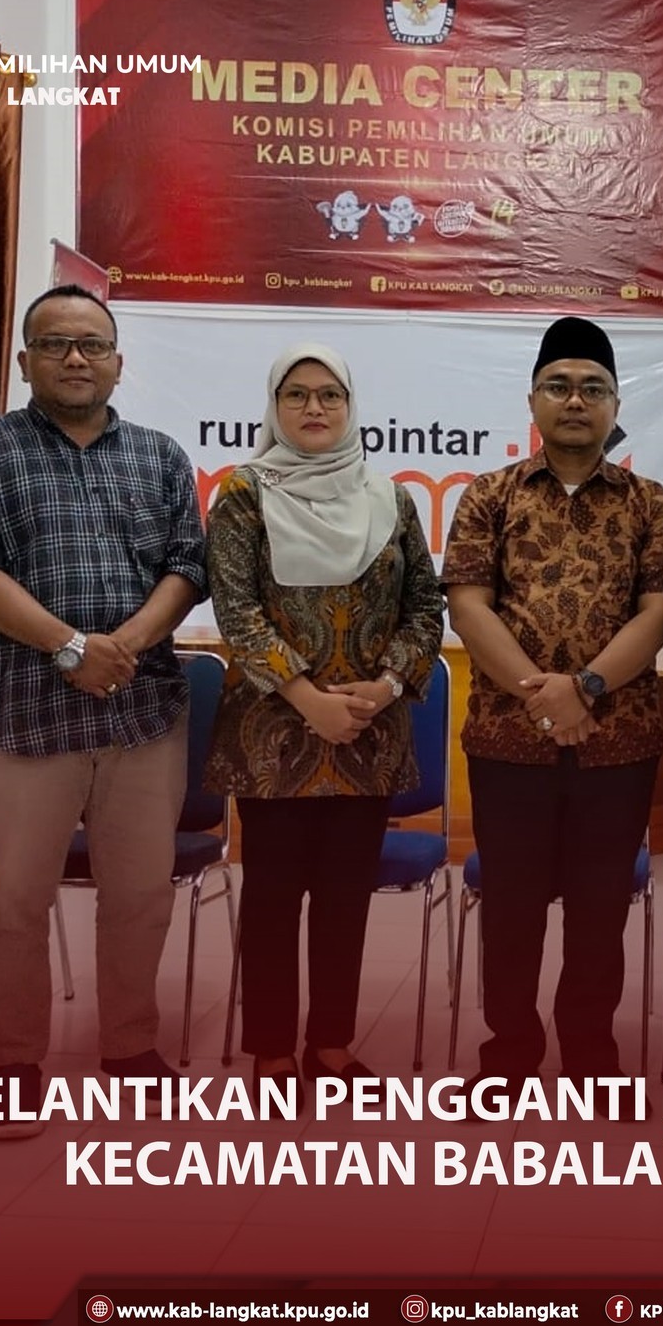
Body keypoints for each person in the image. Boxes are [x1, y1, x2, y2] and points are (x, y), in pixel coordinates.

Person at [0, 285, 207, 1138]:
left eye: (92, 344)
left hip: (142, 713)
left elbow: (188, 565)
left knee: (141, 895)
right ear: (26, 361)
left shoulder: (161, 456)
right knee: (16, 899)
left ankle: (130, 1045)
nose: (76, 358)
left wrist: (121, 645)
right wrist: (69, 647)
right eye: (55, 344)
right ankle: (15, 1063)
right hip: (29, 717)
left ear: (119, 361)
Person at [440, 317, 663, 1084]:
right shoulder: (490, 496)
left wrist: (585, 688)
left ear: (615, 405)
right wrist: (542, 696)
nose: (575, 400)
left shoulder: (649, 504)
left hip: (619, 745)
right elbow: (468, 605)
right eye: (559, 386)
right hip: (507, 741)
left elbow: (659, 612)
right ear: (533, 401)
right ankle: (509, 1053)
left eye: (592, 388)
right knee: (510, 907)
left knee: (600, 908)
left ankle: (590, 1053)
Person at [202, 343, 444, 1086]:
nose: (314, 407)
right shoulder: (244, 492)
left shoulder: (390, 498)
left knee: (346, 899)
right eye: (297, 394)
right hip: (274, 734)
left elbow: (424, 606)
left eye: (329, 394)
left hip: (367, 733)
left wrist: (388, 687)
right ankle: (273, 1049)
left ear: (350, 405)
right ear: (275, 406)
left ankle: (332, 1044)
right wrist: (307, 698)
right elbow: (236, 610)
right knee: (272, 897)